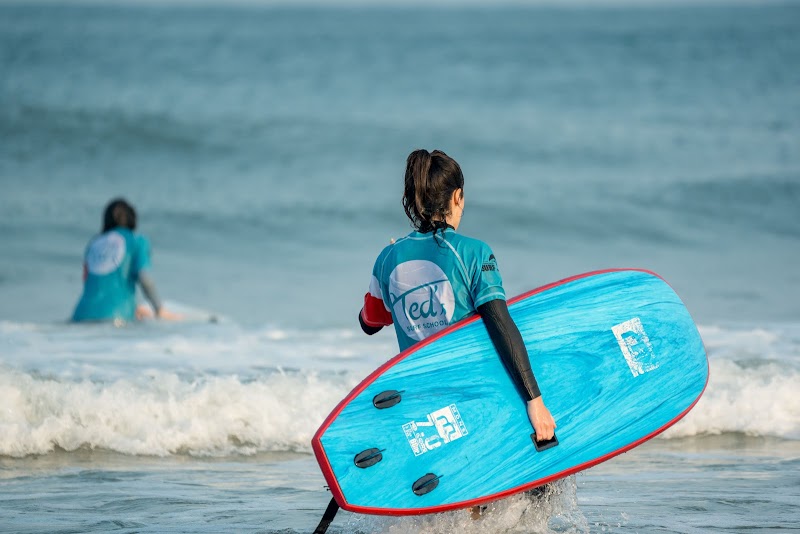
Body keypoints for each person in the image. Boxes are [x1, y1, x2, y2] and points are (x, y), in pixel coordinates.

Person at [358, 149, 556, 516]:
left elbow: (369, 323)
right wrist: (534, 401)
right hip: (476, 398)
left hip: (422, 406)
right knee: (543, 481)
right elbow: (501, 325)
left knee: (461, 502)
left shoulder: (387, 258)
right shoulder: (474, 252)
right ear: (457, 197)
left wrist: (391, 274)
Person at [71, 198, 181, 323]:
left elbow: (88, 280)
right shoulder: (137, 241)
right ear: (133, 220)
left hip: (80, 317)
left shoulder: (94, 243)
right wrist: (159, 309)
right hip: (116, 319)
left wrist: (133, 308)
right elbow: (144, 278)